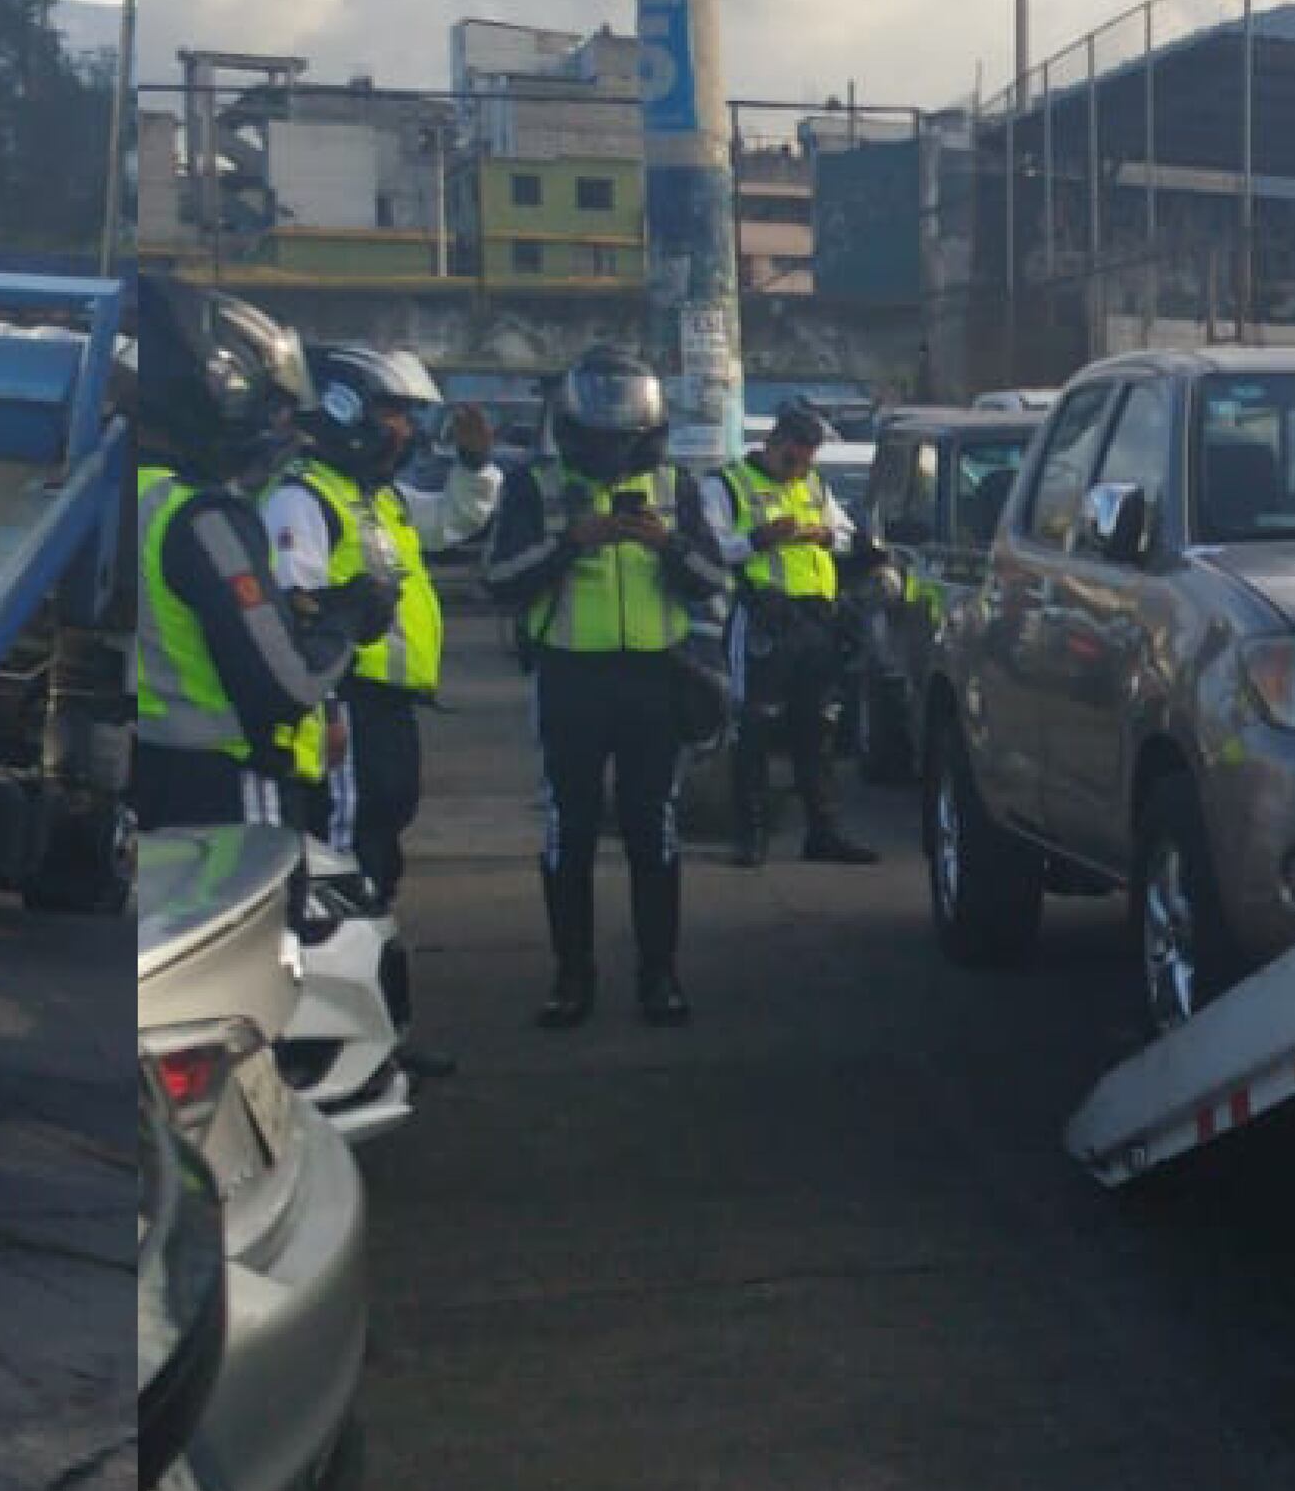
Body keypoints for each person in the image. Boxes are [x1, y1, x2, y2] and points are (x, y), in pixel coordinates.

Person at [485, 345, 725, 1029]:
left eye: (627, 437)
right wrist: (572, 542)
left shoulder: (677, 488)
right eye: (600, 437)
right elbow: (499, 580)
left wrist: (665, 545)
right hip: (570, 679)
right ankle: (572, 977)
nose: (614, 450)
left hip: (654, 678)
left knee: (656, 831)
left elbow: (713, 577)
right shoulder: (536, 486)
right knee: (571, 833)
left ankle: (660, 975)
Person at [124, 278, 388, 831]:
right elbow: (285, 688)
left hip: (147, 771)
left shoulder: (128, 491)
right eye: (270, 409)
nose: (280, 427)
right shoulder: (203, 517)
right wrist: (345, 622)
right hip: (224, 785)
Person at [274, 345, 468, 1073]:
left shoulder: (372, 498)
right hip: (343, 709)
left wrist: (476, 467)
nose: (403, 431)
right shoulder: (304, 499)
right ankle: (350, 1052)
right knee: (349, 875)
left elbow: (451, 520)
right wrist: (327, 708)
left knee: (378, 864)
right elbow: (298, 619)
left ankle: (378, 1035)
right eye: (391, 412)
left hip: (385, 709)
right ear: (346, 410)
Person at [719, 405, 882, 868]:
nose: (800, 469)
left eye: (808, 459)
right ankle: (750, 837)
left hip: (815, 620)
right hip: (762, 618)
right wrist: (758, 539)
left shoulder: (814, 484)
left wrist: (828, 536)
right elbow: (709, 547)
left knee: (818, 728)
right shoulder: (729, 484)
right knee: (753, 726)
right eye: (792, 459)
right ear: (771, 444)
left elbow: (847, 535)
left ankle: (823, 832)